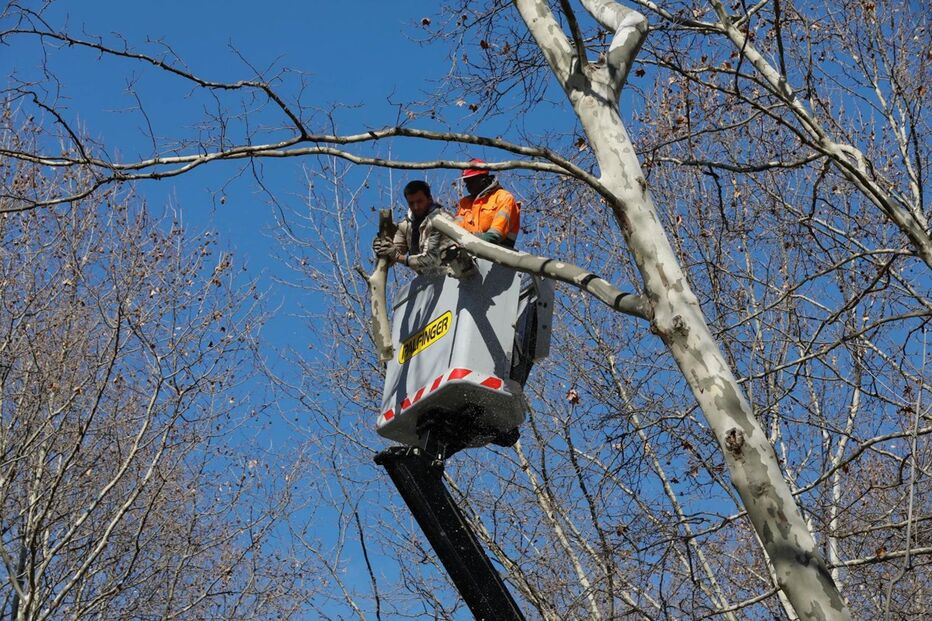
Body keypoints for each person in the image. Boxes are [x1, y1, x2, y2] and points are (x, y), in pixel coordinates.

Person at [373, 180, 451, 273]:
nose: (416, 207)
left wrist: (400, 258)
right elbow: (393, 254)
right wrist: (383, 248)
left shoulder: (443, 220)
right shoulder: (406, 225)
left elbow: (432, 259)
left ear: (429, 199)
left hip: (450, 277)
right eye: (411, 203)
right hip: (426, 281)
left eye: (419, 201)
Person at [455, 158, 520, 247]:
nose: (467, 186)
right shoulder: (464, 203)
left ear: (483, 179)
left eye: (470, 181)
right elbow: (455, 231)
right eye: (466, 182)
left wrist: (471, 241)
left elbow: (495, 234)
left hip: (496, 253)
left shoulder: (503, 197)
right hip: (468, 252)